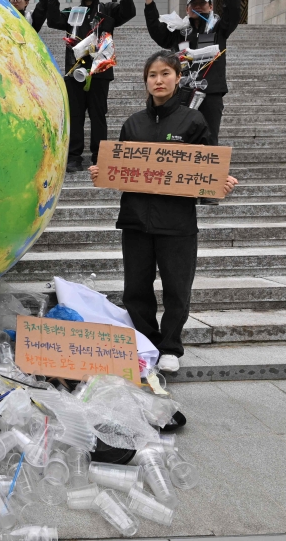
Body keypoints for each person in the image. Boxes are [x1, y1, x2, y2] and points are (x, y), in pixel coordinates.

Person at [88, 51, 238, 373]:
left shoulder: (193, 121)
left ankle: (170, 347)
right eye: (152, 75)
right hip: (136, 221)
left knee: (176, 288)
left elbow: (206, 170)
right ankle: (146, 345)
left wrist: (218, 186)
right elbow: (123, 169)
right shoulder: (133, 123)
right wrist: (104, 172)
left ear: (178, 78)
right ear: (146, 81)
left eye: (165, 73)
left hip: (177, 222)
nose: (159, 80)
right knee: (136, 289)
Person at [140, 0, 239, 150]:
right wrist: (149, 1)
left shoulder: (219, 29)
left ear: (210, 6)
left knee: (209, 138)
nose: (198, 7)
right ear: (187, 10)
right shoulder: (178, 32)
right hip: (181, 93)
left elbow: (233, 13)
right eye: (194, 4)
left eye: (202, 3)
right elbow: (157, 32)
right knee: (180, 137)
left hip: (210, 93)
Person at [48, 0, 136, 173]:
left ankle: (99, 156)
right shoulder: (72, 13)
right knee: (76, 115)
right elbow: (53, 21)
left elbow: (129, 11)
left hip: (100, 71)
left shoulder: (108, 10)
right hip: (75, 71)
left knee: (98, 115)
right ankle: (74, 156)